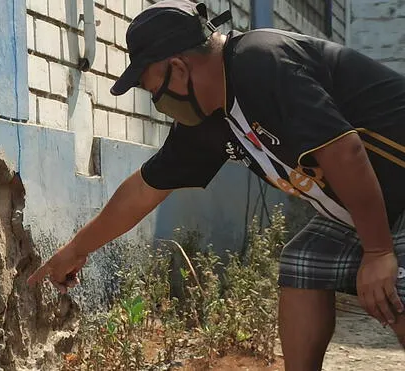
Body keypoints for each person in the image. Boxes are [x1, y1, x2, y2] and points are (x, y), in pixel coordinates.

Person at [27, 0, 405, 368]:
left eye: (150, 86)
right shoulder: (208, 119)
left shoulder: (261, 62)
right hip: (370, 200)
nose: (156, 101)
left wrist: (377, 252)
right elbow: (145, 189)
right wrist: (76, 250)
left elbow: (346, 152)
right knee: (303, 261)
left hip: (393, 192)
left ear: (177, 68)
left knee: (396, 288)